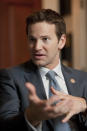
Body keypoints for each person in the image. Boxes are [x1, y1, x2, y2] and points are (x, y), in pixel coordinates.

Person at [0, 9, 87, 131]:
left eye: (45, 39)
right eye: (32, 39)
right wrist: (31, 117)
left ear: (61, 42)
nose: (37, 47)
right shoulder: (10, 77)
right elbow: (4, 126)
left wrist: (84, 106)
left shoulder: (83, 79)